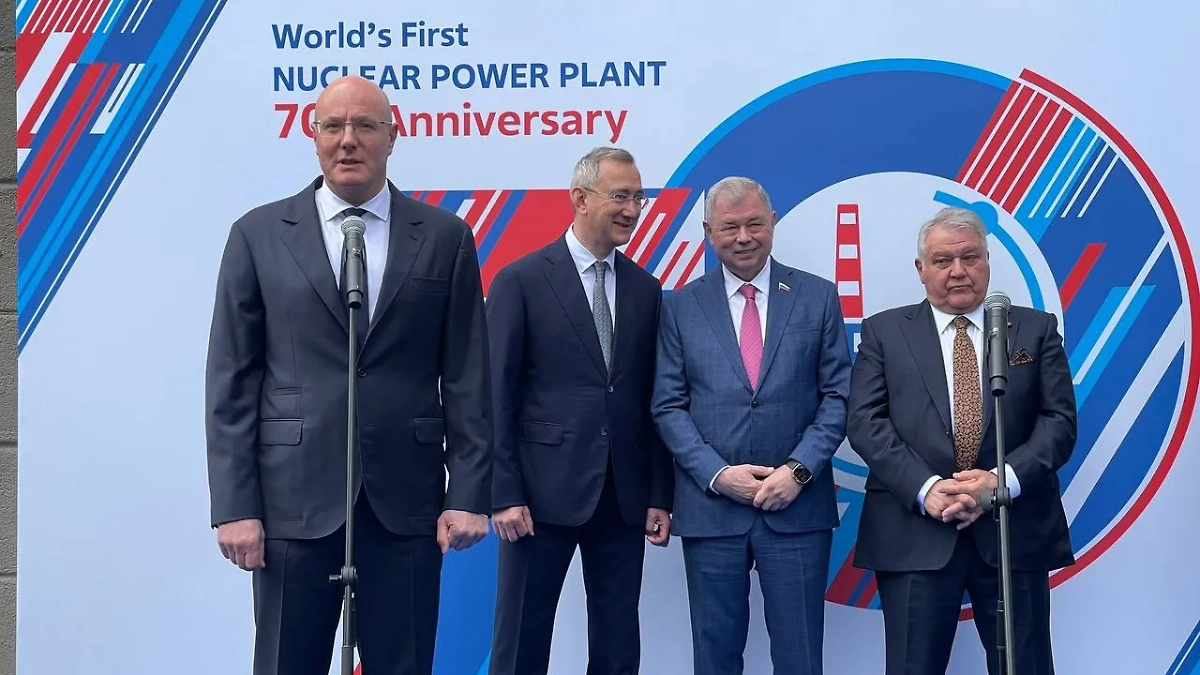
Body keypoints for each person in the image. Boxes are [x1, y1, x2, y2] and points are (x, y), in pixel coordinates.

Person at [204, 75, 493, 675]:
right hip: (292, 504)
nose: (348, 140)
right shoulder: (258, 235)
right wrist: (234, 505)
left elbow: (468, 376)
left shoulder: (445, 237)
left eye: (364, 125)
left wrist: (467, 495)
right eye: (333, 126)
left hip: (405, 502)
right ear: (313, 137)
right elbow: (231, 381)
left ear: (393, 136)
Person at [846, 206, 1077, 675]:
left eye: (970, 257)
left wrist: (999, 483)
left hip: (1012, 532)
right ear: (921, 269)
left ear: (987, 261)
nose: (958, 271)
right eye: (942, 260)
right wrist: (927, 489)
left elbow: (1058, 422)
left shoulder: (1034, 328)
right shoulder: (884, 332)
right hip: (915, 533)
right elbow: (865, 422)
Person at [651, 176, 851, 674]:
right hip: (711, 509)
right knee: (714, 657)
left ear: (773, 223)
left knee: (800, 657)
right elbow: (667, 406)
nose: (743, 237)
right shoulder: (679, 306)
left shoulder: (817, 296)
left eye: (754, 224)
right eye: (730, 227)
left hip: (798, 508)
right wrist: (718, 475)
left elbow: (839, 396)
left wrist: (798, 472)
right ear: (708, 231)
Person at [486, 146, 674, 675]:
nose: (632, 210)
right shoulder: (520, 280)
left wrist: (659, 493)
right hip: (537, 498)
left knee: (618, 648)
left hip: (623, 498)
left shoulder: (645, 289)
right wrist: (504, 493)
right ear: (580, 198)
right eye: (620, 196)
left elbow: (652, 399)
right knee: (522, 643)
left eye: (638, 198)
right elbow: (494, 396)